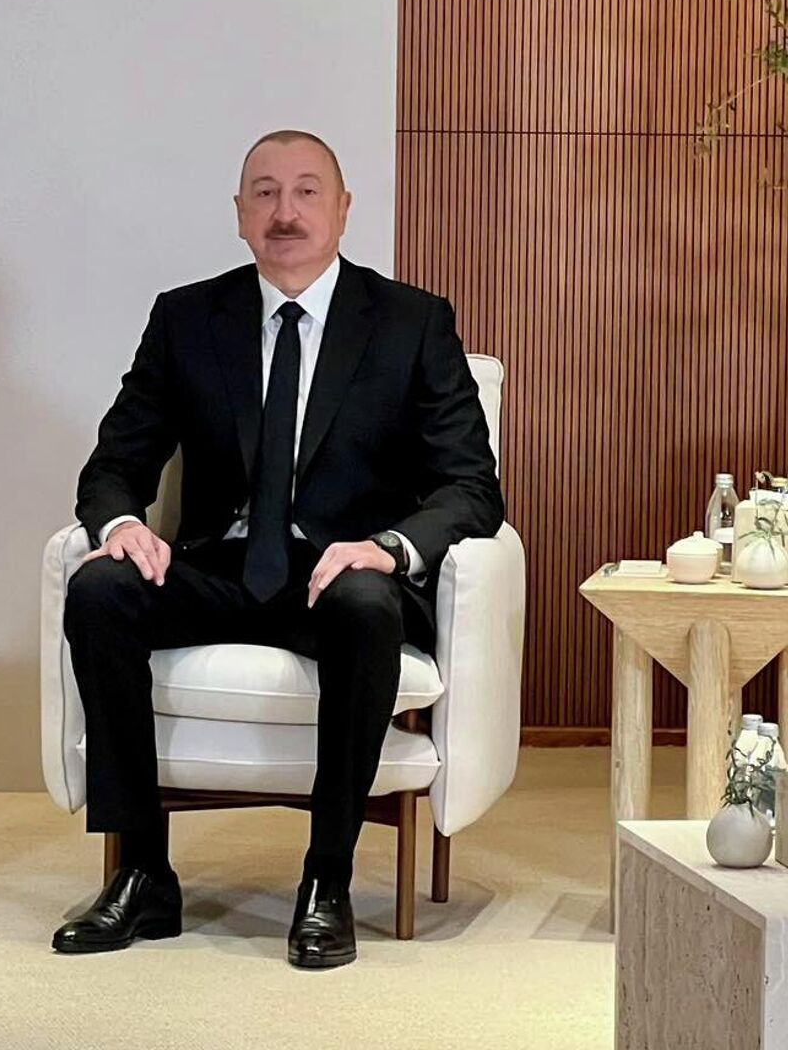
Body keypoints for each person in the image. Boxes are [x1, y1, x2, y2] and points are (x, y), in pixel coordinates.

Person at [53, 130, 502, 968]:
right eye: (264, 193)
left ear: (343, 209)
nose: (284, 213)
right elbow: (115, 465)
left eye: (305, 192)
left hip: (342, 572)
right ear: (239, 214)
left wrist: (390, 547)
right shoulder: (187, 318)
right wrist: (122, 527)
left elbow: (472, 486)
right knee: (100, 591)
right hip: (222, 563)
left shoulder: (411, 323)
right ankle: (142, 873)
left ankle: (327, 878)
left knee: (365, 605)